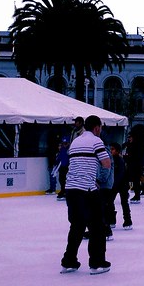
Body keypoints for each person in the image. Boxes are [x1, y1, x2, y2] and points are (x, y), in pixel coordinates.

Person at [60, 115, 113, 275]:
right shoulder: (97, 141)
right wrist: (98, 179)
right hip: (87, 189)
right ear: (97, 127)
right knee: (97, 226)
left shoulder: (75, 141)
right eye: (101, 128)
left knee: (76, 226)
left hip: (71, 188)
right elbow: (107, 163)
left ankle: (69, 261)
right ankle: (97, 263)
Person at [107, 141, 132, 231]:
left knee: (124, 202)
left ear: (117, 151)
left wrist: (113, 183)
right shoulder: (109, 160)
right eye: (110, 149)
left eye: (112, 149)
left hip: (122, 184)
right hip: (113, 185)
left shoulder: (120, 160)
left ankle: (128, 220)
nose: (110, 151)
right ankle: (112, 219)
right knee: (109, 202)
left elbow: (120, 174)